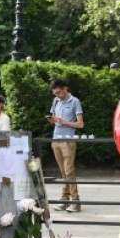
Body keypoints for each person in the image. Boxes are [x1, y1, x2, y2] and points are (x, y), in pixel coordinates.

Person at [48, 79, 84, 212]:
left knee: (69, 171)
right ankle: (65, 200)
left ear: (65, 88)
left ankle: (75, 201)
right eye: (55, 93)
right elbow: (54, 119)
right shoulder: (56, 101)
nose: (57, 95)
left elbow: (80, 124)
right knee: (63, 172)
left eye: (59, 92)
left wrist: (63, 122)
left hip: (68, 141)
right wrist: (52, 120)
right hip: (55, 139)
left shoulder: (75, 101)